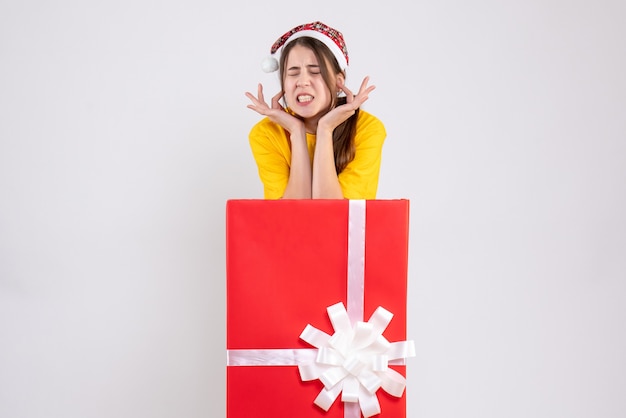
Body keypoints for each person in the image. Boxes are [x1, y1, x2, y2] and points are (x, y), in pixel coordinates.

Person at [245, 21, 386, 199]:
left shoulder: (367, 129)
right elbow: (290, 214)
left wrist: (325, 130)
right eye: (293, 73)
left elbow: (335, 213)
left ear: (339, 82)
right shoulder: (266, 133)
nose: (302, 81)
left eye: (315, 71)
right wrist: (296, 131)